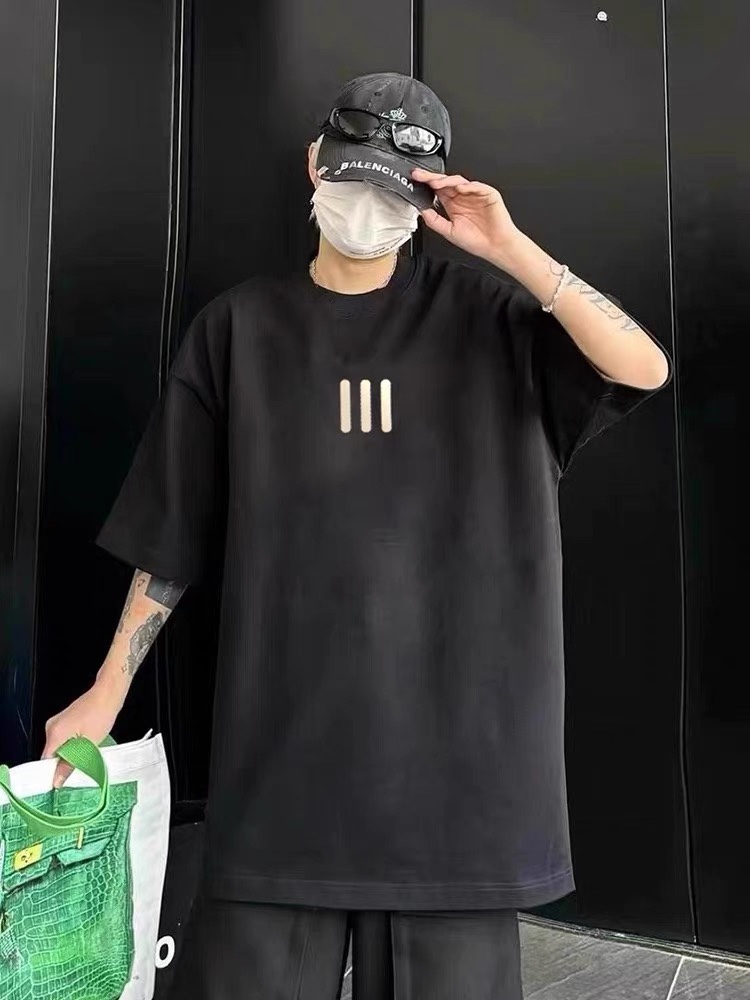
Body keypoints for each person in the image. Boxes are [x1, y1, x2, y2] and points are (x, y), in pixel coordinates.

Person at [43, 72, 671, 999]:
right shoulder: (238, 331)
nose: (366, 209)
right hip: (281, 766)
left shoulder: (495, 322)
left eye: (392, 193)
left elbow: (642, 368)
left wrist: (510, 249)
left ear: (427, 201)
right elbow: (171, 526)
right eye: (353, 179)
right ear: (315, 164)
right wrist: (106, 689)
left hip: (460, 781)